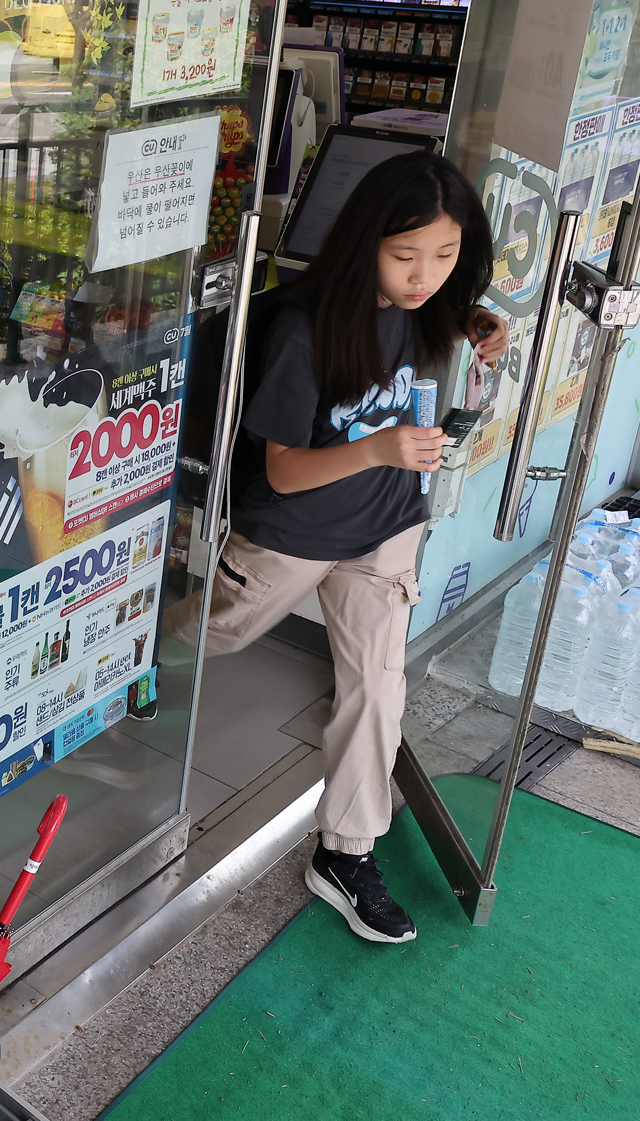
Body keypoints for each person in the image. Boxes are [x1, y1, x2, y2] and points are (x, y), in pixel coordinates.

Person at [168, 151, 504, 945]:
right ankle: (110, 677)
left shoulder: (435, 306)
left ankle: (346, 853)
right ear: (366, 245)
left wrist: (475, 322)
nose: (426, 275)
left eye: (446, 255)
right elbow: (284, 473)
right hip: (294, 533)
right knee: (211, 631)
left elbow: (444, 312)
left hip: (386, 529)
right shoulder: (303, 327)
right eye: (406, 256)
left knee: (376, 692)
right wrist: (380, 449)